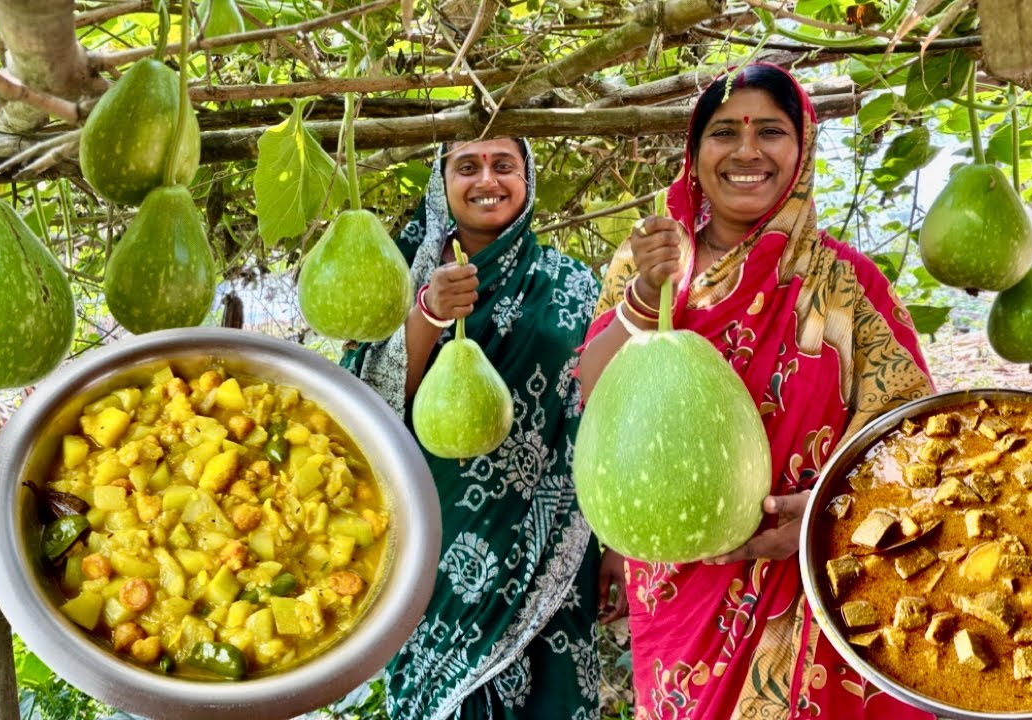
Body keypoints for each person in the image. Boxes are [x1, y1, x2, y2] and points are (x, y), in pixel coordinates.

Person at [578, 63, 936, 720]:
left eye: (770, 131)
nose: (747, 151)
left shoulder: (849, 285)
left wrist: (829, 516)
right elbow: (592, 395)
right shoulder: (648, 264)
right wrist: (644, 298)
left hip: (825, 583)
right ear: (694, 152)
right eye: (724, 133)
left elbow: (918, 439)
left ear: (802, 150)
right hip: (680, 588)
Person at [343, 138, 603, 719]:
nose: (487, 180)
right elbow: (362, 408)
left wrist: (615, 546)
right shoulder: (397, 279)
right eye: (467, 167)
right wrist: (428, 312)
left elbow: (604, 412)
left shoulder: (572, 283)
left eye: (504, 165)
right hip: (436, 539)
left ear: (527, 179)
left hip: (551, 542)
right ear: (442, 184)